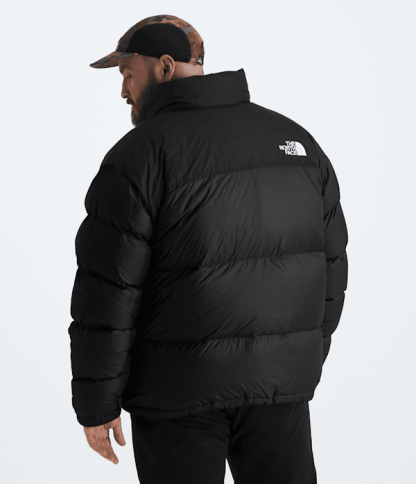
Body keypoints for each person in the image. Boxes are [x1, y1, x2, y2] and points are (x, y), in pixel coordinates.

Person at [68, 14, 349, 484]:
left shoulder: (139, 155)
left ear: (163, 67)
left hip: (176, 395)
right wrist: (294, 360)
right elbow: (332, 269)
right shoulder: (296, 142)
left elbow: (108, 290)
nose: (123, 91)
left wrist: (97, 402)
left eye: (127, 74)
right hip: (278, 390)